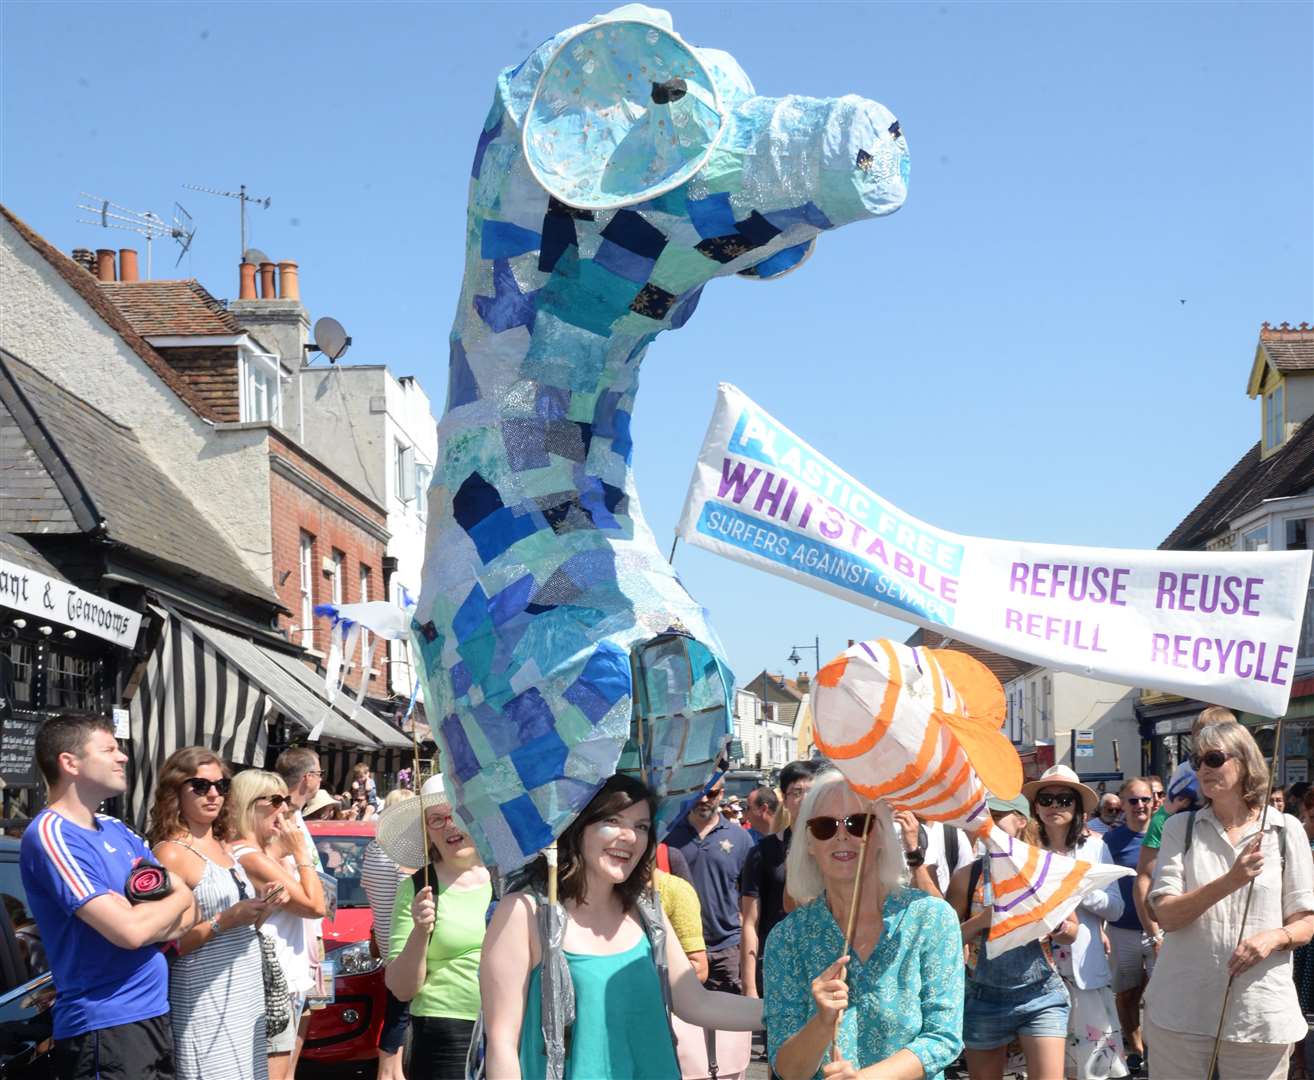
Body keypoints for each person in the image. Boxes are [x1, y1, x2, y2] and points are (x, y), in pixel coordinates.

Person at [480, 774, 763, 1078]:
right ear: (576, 826)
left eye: (641, 826)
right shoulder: (524, 913)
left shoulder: (647, 911)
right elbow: (502, 1044)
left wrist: (792, 1009)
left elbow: (697, 1003)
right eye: (613, 821)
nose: (630, 837)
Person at [20, 712, 199, 1080]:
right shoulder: (52, 835)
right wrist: (169, 903)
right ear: (70, 763)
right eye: (110, 749)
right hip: (106, 1028)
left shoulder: (117, 829)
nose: (123, 757)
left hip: (152, 1016)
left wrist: (167, 904)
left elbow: (190, 909)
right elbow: (129, 932)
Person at [766, 768, 963, 1079]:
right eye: (824, 826)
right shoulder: (788, 937)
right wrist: (821, 1024)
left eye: (859, 824)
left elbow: (943, 1038)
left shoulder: (931, 918)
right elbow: (787, 1070)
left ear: (883, 836)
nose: (842, 835)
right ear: (809, 844)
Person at [1145, 721, 1314, 1077]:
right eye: (1197, 760)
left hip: (1258, 1013)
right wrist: (1231, 881)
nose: (1203, 768)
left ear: (1245, 762)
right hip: (1182, 1011)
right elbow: (1167, 916)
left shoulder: (1286, 830)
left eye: (1214, 758)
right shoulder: (1181, 828)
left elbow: (1306, 922)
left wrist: (1273, 938)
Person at [149, 747, 280, 1080]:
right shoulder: (171, 853)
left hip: (243, 991)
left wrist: (261, 909)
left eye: (221, 786)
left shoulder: (225, 845)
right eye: (200, 786)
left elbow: (239, 926)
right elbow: (165, 943)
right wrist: (227, 920)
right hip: (202, 996)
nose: (213, 794)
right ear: (175, 790)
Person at [949, 792, 1075, 1080]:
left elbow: (1072, 932)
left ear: (1021, 820)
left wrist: (1058, 927)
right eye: (983, 817)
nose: (987, 824)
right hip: (983, 998)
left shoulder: (1047, 870)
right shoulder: (967, 877)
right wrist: (983, 920)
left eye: (996, 816)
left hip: (1041, 995)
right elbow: (946, 942)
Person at [382, 775, 489, 1079]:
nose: (450, 825)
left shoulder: (508, 880)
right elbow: (402, 989)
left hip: (510, 1024)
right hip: (444, 1032)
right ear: (428, 832)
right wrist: (420, 931)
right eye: (437, 820)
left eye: (457, 815)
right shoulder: (417, 888)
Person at [1024, 765, 1127, 1079]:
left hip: (1083, 977)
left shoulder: (1095, 848)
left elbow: (1116, 908)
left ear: (1078, 807)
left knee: (1092, 1070)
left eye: (1064, 800)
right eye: (1047, 799)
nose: (1055, 806)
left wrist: (1078, 888)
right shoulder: (1027, 849)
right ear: (1036, 806)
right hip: (1034, 976)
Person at [231, 769, 327, 1080]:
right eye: (274, 800)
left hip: (289, 980)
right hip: (272, 984)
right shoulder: (249, 856)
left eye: (285, 800)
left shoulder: (264, 854)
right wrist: (301, 854)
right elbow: (315, 906)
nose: (284, 808)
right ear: (249, 804)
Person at [740, 759, 825, 999]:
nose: (805, 799)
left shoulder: (836, 847)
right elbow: (749, 922)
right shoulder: (763, 852)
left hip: (827, 963)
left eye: (812, 791)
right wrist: (749, 987)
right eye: (797, 792)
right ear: (785, 801)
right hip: (778, 965)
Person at [667, 779, 755, 993]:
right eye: (698, 792)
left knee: (730, 1021)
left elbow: (749, 900)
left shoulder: (741, 838)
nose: (704, 799)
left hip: (726, 948)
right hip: (680, 948)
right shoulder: (668, 835)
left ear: (722, 793)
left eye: (711, 793)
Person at [1102, 777, 1157, 1076]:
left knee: (1162, 993)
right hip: (1123, 929)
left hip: (1161, 929)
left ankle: (1157, 1049)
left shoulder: (1167, 834)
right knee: (1127, 994)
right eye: (1133, 800)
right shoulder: (1110, 842)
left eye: (1145, 799)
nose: (1140, 806)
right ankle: (1136, 1049)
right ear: (1122, 805)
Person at [362, 789, 416, 1080]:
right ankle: (389, 1072)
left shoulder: (374, 848)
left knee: (396, 1009)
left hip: (383, 935)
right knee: (401, 1012)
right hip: (401, 938)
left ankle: (392, 1071)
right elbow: (407, 894)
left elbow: (368, 886)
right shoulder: (403, 854)